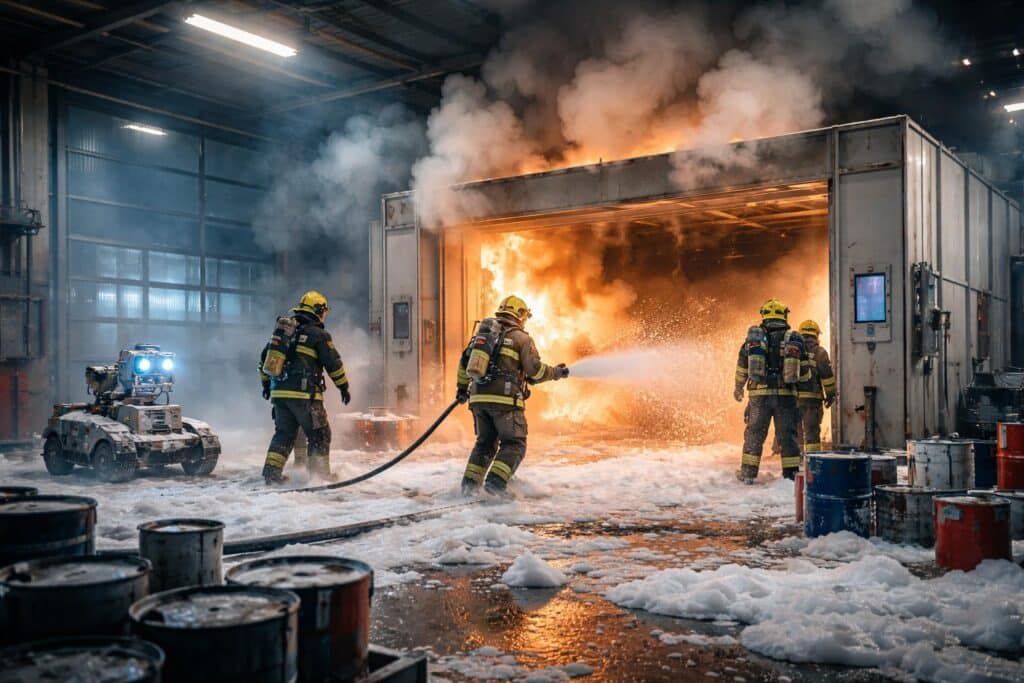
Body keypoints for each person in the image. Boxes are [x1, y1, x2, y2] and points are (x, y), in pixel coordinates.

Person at [456, 295, 569, 496]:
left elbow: (465, 363)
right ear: (520, 315)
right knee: (514, 444)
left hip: (478, 400)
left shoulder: (483, 335)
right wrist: (557, 373)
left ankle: (468, 488)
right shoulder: (521, 338)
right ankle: (495, 486)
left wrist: (462, 390)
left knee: (485, 444)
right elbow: (534, 371)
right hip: (506, 402)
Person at [260, 291, 350, 484]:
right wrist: (344, 387)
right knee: (320, 434)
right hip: (305, 396)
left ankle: (271, 474)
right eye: (323, 311)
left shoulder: (284, 332)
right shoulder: (318, 334)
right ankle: (319, 476)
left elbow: (263, 360)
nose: (324, 315)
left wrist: (266, 386)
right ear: (318, 310)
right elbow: (333, 363)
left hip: (280, 396)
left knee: (284, 434)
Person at [733, 298, 809, 484]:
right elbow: (805, 372)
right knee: (788, 436)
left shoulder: (754, 340)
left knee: (754, 434)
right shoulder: (794, 338)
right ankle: (790, 477)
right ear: (784, 315)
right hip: (786, 396)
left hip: (760, 396)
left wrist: (738, 387)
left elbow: (742, 366)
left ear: (764, 315)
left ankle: (748, 475)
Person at [794, 319, 836, 453]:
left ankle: (797, 462)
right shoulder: (820, 352)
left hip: (793, 401)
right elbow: (827, 378)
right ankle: (812, 463)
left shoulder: (793, 350)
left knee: (796, 434)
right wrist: (830, 395)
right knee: (811, 433)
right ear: (816, 335)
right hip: (812, 402)